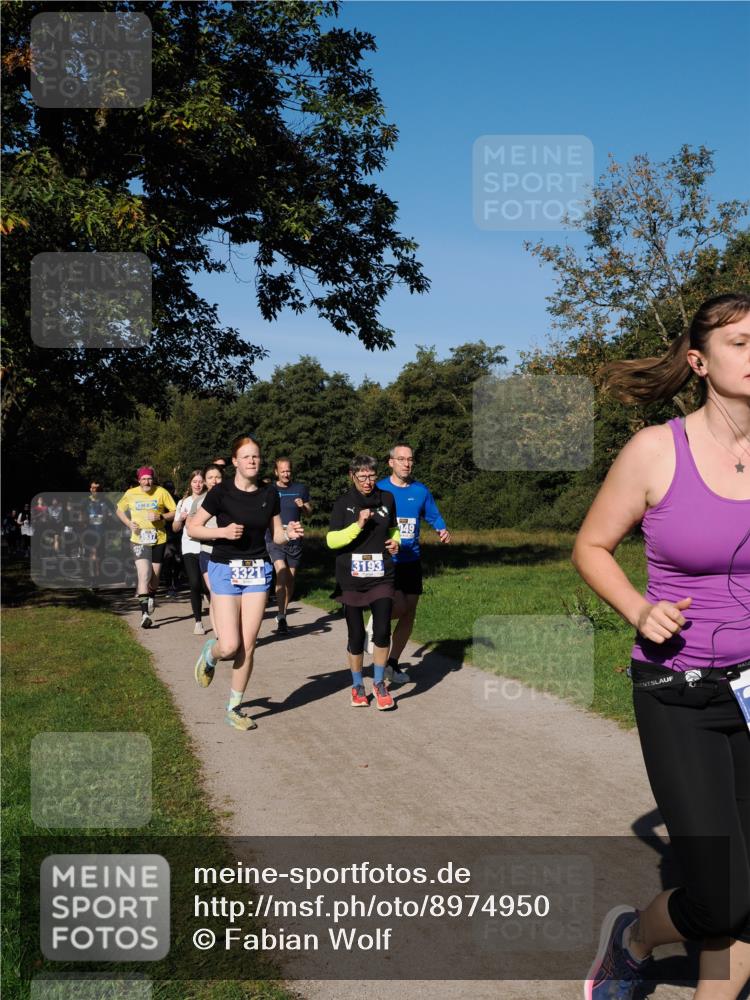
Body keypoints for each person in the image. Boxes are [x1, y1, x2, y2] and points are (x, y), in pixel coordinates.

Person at [573, 293, 750, 1000]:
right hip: (678, 689)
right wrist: (639, 608)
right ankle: (635, 941)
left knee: (749, 893)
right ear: (701, 362)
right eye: (742, 342)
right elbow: (590, 546)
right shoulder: (657, 449)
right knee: (721, 899)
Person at [189, 436, 303, 731]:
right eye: (247, 456)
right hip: (225, 570)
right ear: (235, 461)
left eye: (257, 456)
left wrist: (289, 533)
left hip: (257, 573)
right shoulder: (220, 493)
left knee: (248, 646)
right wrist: (223, 533)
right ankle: (210, 654)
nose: (253, 460)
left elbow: (275, 535)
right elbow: (193, 527)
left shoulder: (270, 494)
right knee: (229, 645)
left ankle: (233, 708)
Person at [327, 455, 401, 710]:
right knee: (356, 635)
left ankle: (379, 684)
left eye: (371, 476)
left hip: (382, 575)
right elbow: (332, 541)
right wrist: (358, 525)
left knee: (382, 629)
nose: (368, 482)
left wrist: (396, 542)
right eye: (362, 477)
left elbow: (393, 529)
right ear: (352, 475)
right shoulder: (343, 503)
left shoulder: (387, 499)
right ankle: (358, 685)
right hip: (351, 578)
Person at [373, 444, 451, 683]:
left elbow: (433, 514)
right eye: (401, 459)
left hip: (411, 559)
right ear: (391, 463)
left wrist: (442, 529)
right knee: (397, 607)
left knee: (410, 612)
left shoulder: (420, 490)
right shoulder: (379, 489)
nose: (407, 463)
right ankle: (376, 624)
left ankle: (392, 664)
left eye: (410, 459)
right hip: (387, 561)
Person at [115, 467, 176, 628]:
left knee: (154, 579)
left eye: (149, 479)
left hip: (159, 539)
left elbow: (175, 512)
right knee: (143, 574)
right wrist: (129, 523)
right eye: (143, 479)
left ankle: (151, 597)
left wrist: (161, 516)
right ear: (139, 480)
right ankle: (144, 615)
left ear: (153, 479)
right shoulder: (131, 493)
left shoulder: (161, 492)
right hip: (138, 540)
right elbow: (119, 510)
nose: (146, 482)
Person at [265, 457, 312, 634]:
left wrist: (303, 507)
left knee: (290, 579)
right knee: (282, 573)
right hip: (275, 539)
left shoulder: (300, 489)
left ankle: (282, 613)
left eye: (288, 471)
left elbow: (308, 513)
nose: (286, 474)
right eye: (282, 471)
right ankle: (282, 615)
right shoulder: (270, 490)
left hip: (295, 540)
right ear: (276, 472)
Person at [173, 469, 210, 634]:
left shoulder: (210, 500)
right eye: (195, 481)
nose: (198, 484)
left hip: (207, 547)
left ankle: (218, 617)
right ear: (190, 483)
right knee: (195, 583)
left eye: (200, 481)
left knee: (207, 586)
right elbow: (175, 528)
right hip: (189, 547)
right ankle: (198, 621)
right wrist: (180, 519)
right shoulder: (183, 502)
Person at [197, 463, 224, 638]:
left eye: (218, 477)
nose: (214, 481)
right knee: (216, 593)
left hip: (229, 554)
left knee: (226, 596)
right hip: (208, 551)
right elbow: (193, 530)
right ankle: (219, 635)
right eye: (210, 478)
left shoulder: (233, 498)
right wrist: (214, 534)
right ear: (205, 482)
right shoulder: (199, 502)